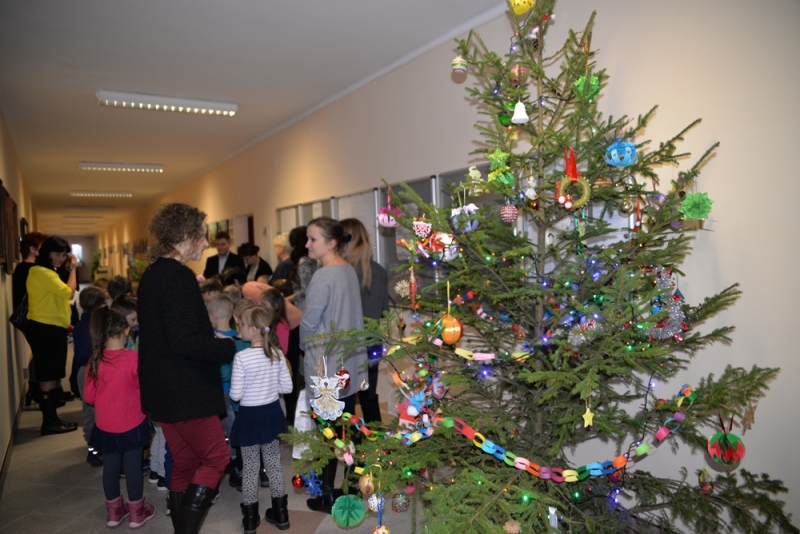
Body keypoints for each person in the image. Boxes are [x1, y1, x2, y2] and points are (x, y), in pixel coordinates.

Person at [137, 203, 236, 533]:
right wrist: (226, 346)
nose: (206, 243)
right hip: (184, 388)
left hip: (162, 386)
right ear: (185, 236)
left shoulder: (153, 273)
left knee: (185, 461)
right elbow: (185, 342)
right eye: (202, 236)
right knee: (217, 458)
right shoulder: (178, 277)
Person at [300, 217, 365, 514]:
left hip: (324, 365)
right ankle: (351, 485)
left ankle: (326, 494)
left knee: (327, 431)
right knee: (344, 427)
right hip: (347, 362)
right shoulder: (348, 270)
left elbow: (310, 322)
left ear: (332, 242)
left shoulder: (323, 276)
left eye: (313, 239)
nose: (307, 244)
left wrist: (304, 347)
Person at [84, 307, 156, 529]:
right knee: (133, 467)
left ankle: (114, 513)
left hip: (106, 426)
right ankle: (136, 513)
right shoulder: (134, 359)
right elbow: (145, 390)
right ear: (125, 330)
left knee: (110, 467)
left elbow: (89, 397)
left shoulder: (94, 361)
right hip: (133, 423)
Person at [230, 306, 292, 532]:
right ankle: (281, 514)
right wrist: (268, 388)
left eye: (243, 325)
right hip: (271, 415)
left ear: (254, 329)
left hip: (249, 417)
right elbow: (287, 387)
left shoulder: (241, 357)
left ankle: (249, 518)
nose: (241, 329)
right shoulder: (277, 354)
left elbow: (235, 395)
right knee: (274, 465)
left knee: (250, 468)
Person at [26, 236, 79, 435]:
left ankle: (52, 419)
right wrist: (73, 269)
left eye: (64, 255)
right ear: (46, 252)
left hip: (52, 327)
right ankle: (50, 422)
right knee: (48, 374)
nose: (60, 258)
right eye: (57, 254)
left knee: (52, 373)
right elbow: (69, 293)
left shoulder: (50, 272)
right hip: (45, 328)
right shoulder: (41, 272)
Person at [341, 218, 389, 424]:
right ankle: (376, 440)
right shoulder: (378, 270)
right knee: (369, 396)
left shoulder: (342, 271)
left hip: (346, 342)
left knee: (345, 398)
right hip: (372, 341)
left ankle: (348, 440)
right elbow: (384, 311)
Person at [73, 286, 107, 466]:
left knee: (88, 412)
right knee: (101, 412)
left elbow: (77, 356)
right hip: (98, 370)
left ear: (80, 304)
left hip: (82, 371)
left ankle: (92, 448)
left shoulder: (78, 326)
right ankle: (98, 448)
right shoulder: (101, 325)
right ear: (102, 305)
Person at [12, 231, 47, 407]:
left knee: (40, 353)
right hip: (32, 318)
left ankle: (36, 389)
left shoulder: (25, 269)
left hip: (32, 317)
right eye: (42, 247)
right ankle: (36, 390)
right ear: (33, 249)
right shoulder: (28, 270)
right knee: (41, 354)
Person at [261, 287, 301, 424]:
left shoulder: (281, 324)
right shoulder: (269, 323)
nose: (261, 306)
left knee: (280, 398)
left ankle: (284, 421)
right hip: (272, 363)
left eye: (264, 304)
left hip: (278, 365)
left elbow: (283, 349)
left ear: (275, 306)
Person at [287, 226, 316, 310]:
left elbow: (305, 290)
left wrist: (286, 299)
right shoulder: (309, 258)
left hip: (304, 304)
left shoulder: (304, 261)